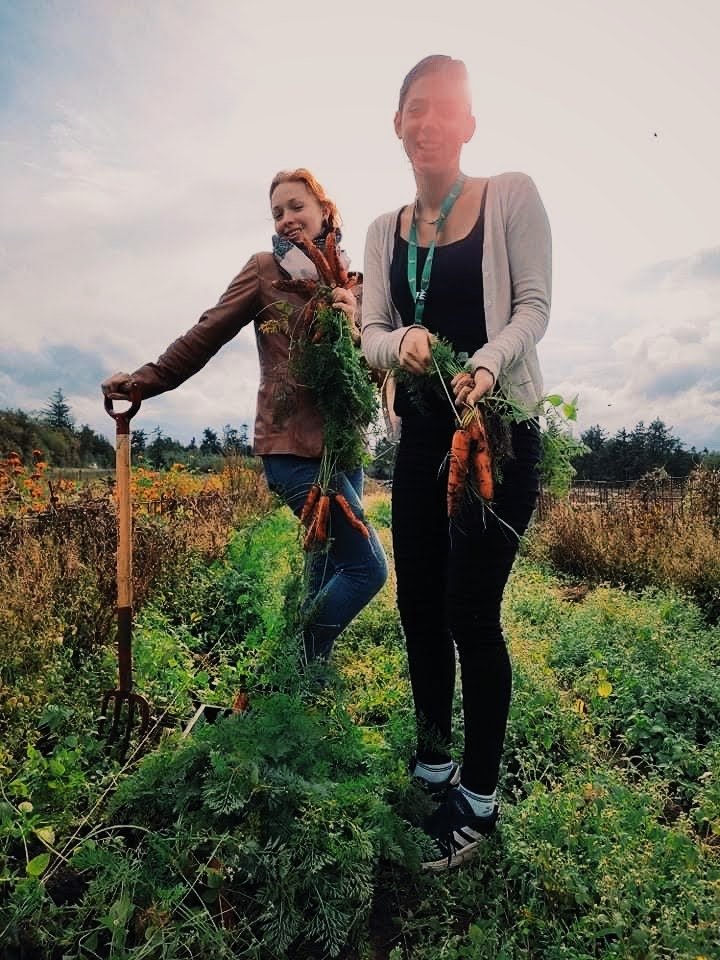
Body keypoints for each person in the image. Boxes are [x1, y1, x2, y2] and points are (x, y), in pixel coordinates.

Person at [361, 55, 551, 870]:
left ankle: (477, 801)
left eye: (446, 109)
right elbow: (366, 333)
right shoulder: (382, 231)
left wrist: (486, 365)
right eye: (416, 109)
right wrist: (395, 342)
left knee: (471, 611)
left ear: (468, 123)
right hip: (423, 443)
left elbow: (533, 307)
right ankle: (434, 762)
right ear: (397, 124)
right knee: (419, 611)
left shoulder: (510, 194)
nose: (430, 122)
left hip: (495, 433)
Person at [102, 168, 388, 664]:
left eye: (296, 206)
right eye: (276, 212)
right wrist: (144, 380)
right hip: (291, 449)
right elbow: (206, 334)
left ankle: (304, 683)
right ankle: (289, 664)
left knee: (324, 567)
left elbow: (375, 371)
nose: (286, 219)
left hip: (344, 449)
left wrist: (355, 325)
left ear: (325, 211)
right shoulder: (264, 271)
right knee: (367, 569)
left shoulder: (355, 286)